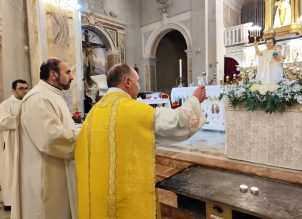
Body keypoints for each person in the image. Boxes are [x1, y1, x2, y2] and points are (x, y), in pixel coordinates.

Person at [75, 64, 206, 219]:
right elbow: (179, 122)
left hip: (98, 199)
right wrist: (195, 100)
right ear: (127, 82)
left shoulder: (94, 112)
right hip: (124, 201)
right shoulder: (133, 110)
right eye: (137, 82)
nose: (138, 86)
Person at [11, 57, 78, 219]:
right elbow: (51, 139)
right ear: (53, 74)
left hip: (57, 169)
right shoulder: (38, 98)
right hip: (45, 174)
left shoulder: (52, 94)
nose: (71, 77)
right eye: (68, 72)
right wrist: (82, 135)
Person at [0, 80, 29, 211]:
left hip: (27, 144)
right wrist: (19, 118)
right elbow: (3, 122)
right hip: (12, 145)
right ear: (13, 90)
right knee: (11, 173)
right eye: (21, 88)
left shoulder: (29, 103)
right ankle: (10, 202)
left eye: (26, 88)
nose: (25, 91)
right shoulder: (5, 105)